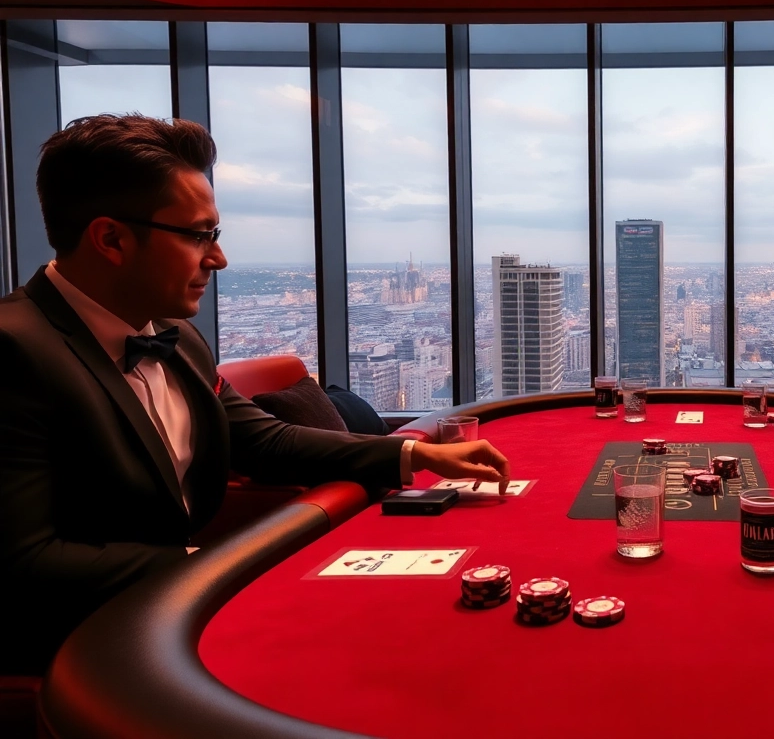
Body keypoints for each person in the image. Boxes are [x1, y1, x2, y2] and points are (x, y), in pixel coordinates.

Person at [0, 114, 510, 675]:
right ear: (112, 239)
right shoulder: (12, 350)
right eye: (198, 236)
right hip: (82, 655)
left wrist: (413, 453)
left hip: (173, 618)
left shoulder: (179, 340)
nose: (218, 260)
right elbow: (24, 563)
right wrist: (227, 566)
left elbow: (264, 440)